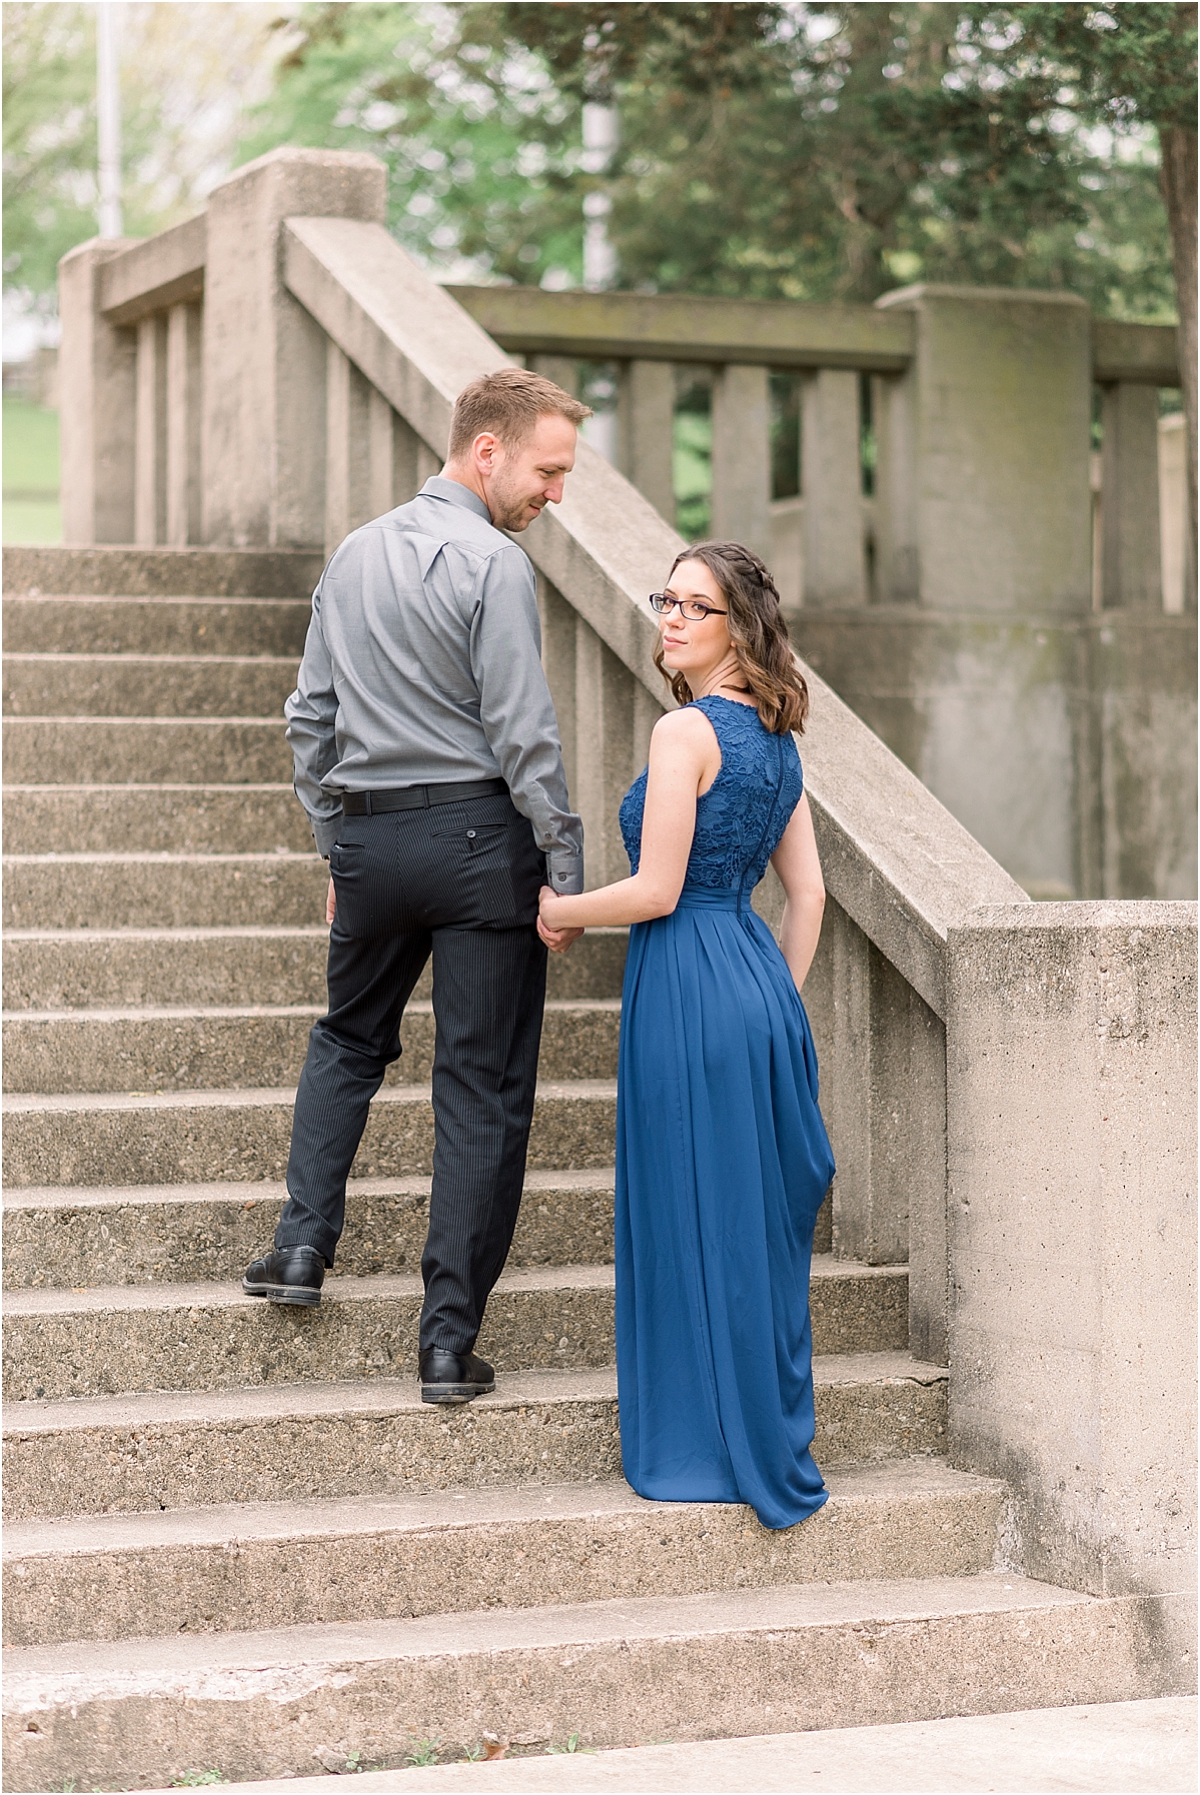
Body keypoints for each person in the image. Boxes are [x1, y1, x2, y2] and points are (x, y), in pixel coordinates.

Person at [243, 368, 589, 1407]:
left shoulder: (352, 553)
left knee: (348, 1038)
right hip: (483, 842)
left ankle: (302, 1247)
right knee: (480, 1086)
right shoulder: (497, 565)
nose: (555, 495)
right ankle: (446, 1344)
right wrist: (562, 869)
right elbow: (523, 735)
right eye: (548, 469)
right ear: (487, 452)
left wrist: (334, 844)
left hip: (373, 842)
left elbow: (310, 717)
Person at [538, 541, 835, 1530]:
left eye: (693, 606)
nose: (669, 617)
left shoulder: (687, 733)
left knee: (683, 1208)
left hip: (685, 984)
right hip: (753, 985)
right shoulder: (779, 740)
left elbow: (658, 889)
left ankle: (696, 1444)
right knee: (743, 1222)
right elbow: (808, 897)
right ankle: (758, 1429)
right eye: (666, 598)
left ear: (737, 628)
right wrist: (777, 1004)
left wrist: (566, 907)